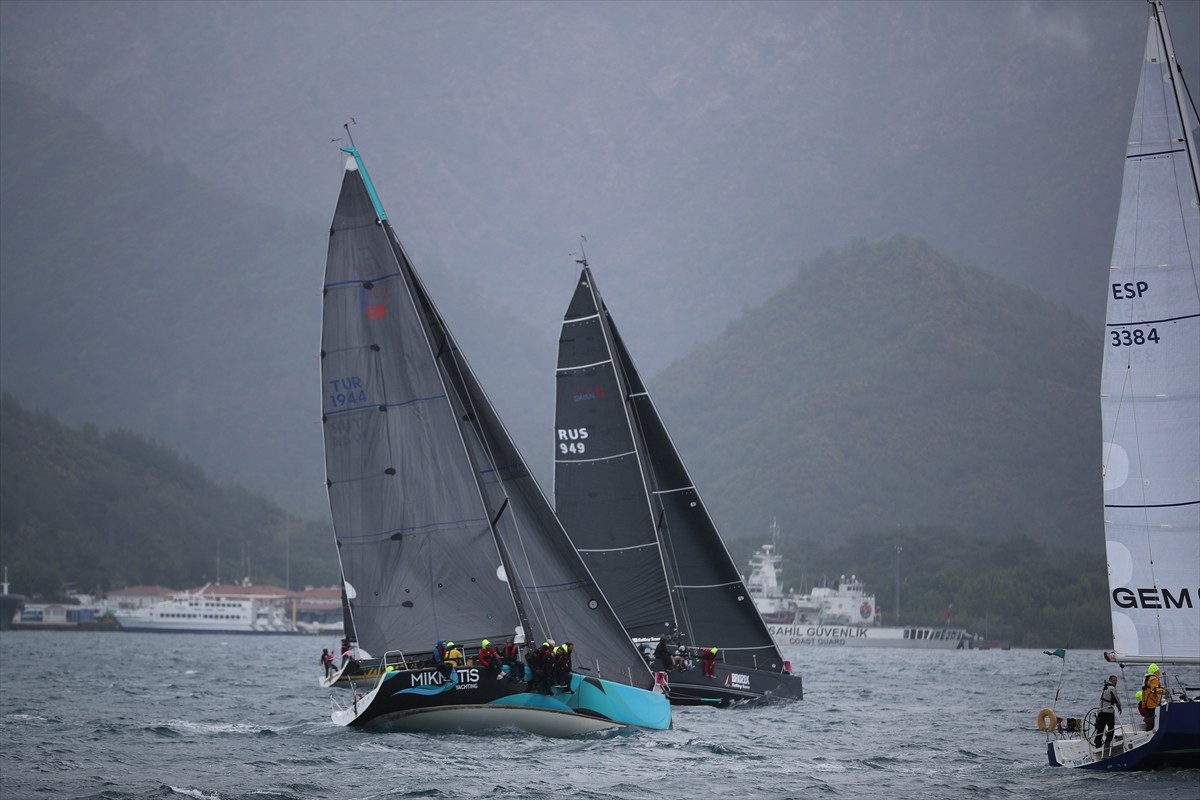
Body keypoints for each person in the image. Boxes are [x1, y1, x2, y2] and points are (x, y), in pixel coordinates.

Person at [1093, 675, 1121, 750]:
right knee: (1111, 728)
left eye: (1116, 680)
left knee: (1100, 728)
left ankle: (1097, 742)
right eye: (1114, 680)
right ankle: (1107, 743)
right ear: (1110, 680)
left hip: (1101, 712)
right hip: (1108, 712)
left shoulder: (1105, 687)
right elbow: (1117, 699)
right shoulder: (1112, 688)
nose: (1116, 682)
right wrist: (1120, 707)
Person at [1141, 663, 1164, 729]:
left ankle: (1149, 728)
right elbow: (1155, 689)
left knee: (1150, 717)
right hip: (1153, 702)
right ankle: (1153, 729)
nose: (1159, 672)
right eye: (1158, 670)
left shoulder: (1147, 678)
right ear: (1155, 671)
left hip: (1147, 702)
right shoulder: (1154, 679)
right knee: (1154, 718)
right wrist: (1165, 692)